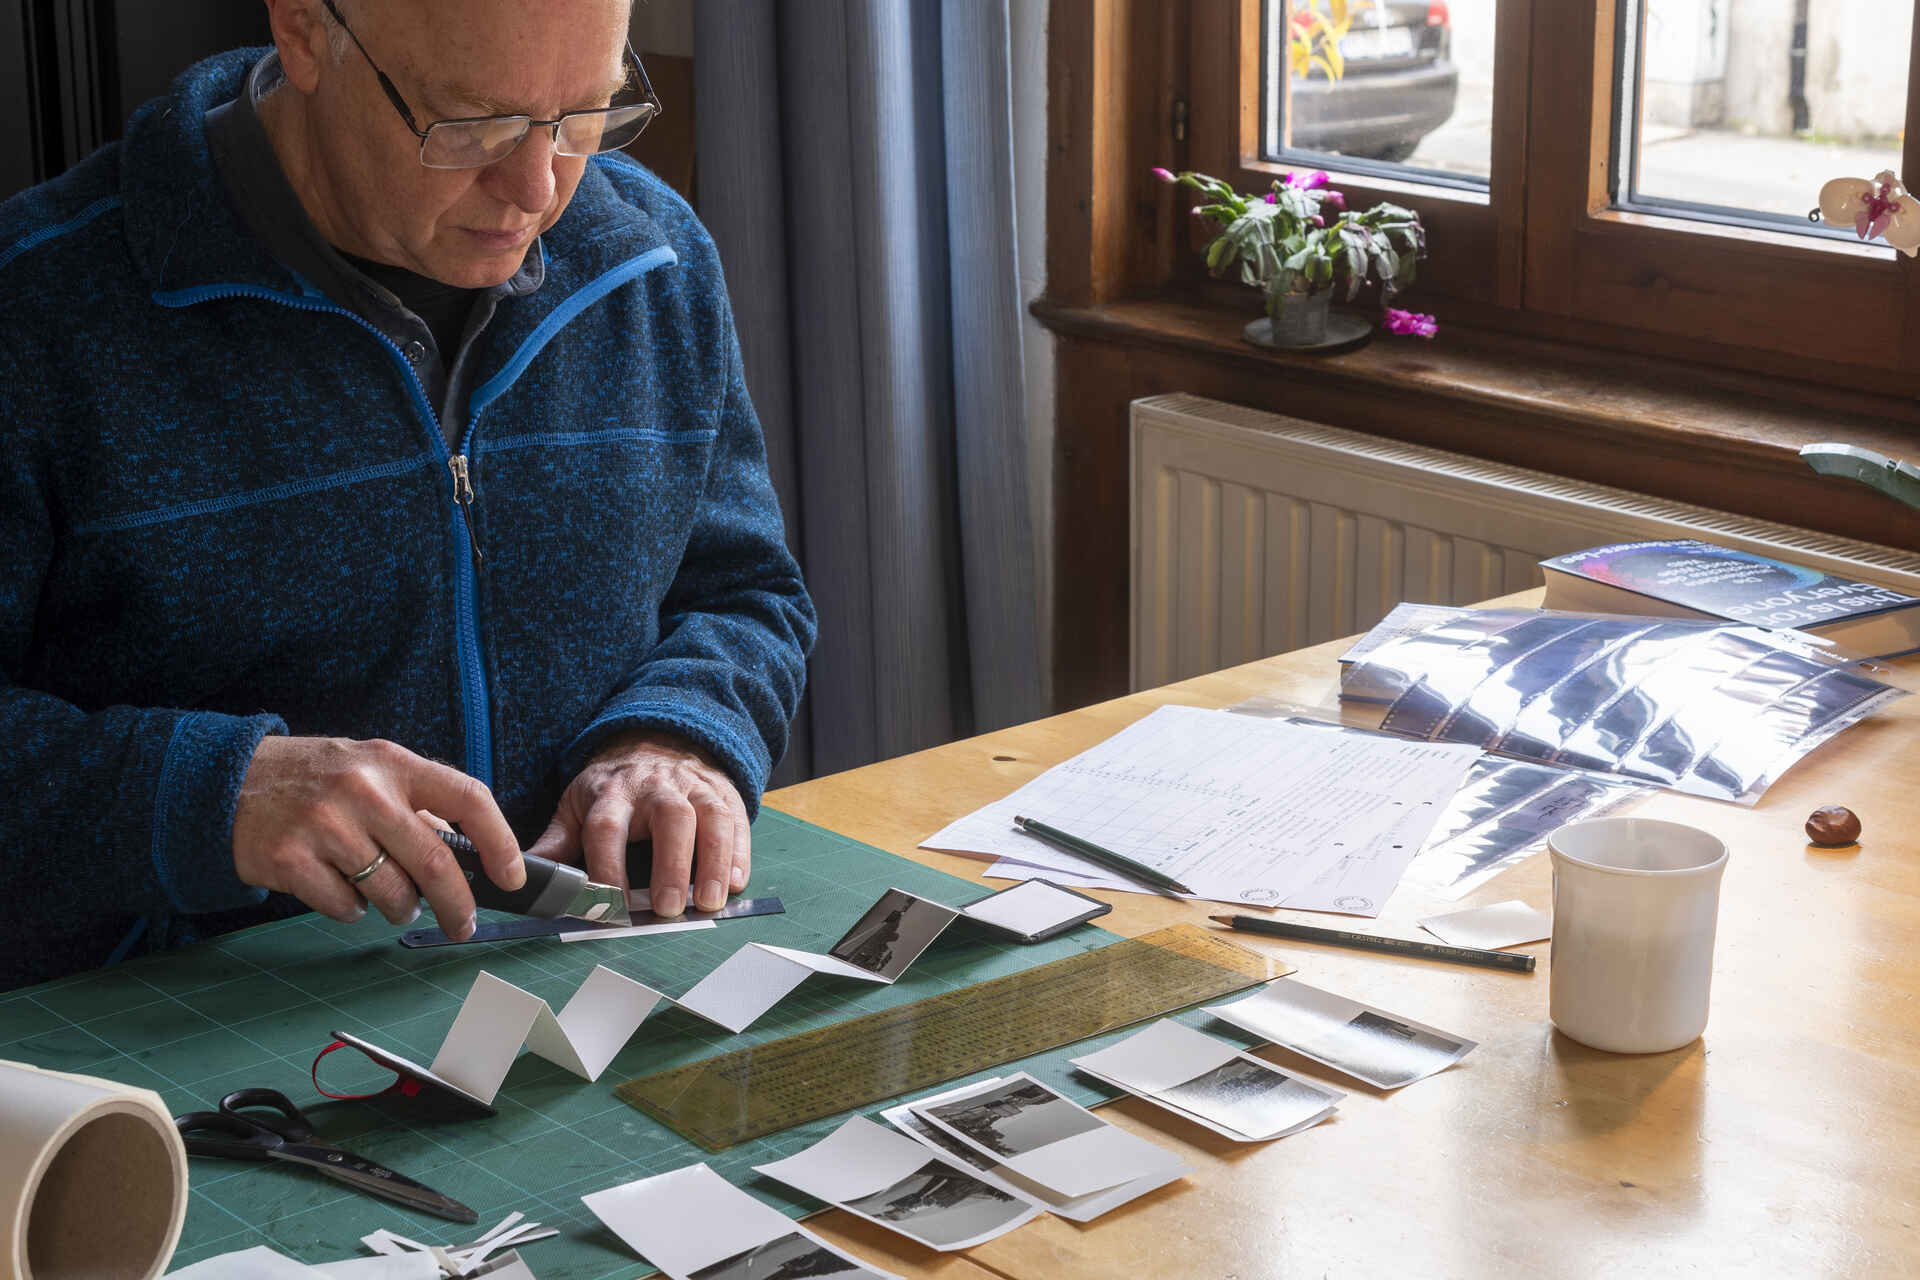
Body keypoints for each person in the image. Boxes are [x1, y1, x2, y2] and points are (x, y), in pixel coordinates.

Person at [0, 0, 815, 992]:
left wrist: (677, 733)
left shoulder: (651, 256)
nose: (538, 190)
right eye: (473, 123)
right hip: (172, 1031)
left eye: (585, 115)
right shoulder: (33, 312)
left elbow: (742, 590)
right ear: (306, 32)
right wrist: (212, 794)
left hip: (583, 987)